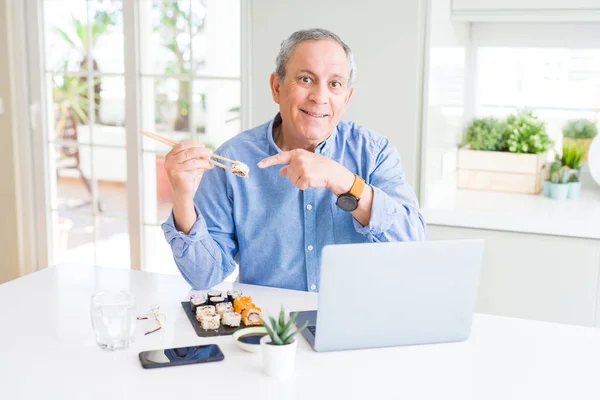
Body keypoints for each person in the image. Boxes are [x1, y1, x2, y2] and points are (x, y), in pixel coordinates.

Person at [161, 28, 426, 292]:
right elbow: (203, 276)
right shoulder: (233, 159)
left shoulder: (375, 153)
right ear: (276, 87)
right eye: (306, 79)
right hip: (266, 327)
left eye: (334, 84)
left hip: (355, 323)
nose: (320, 97)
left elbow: (412, 244)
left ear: (346, 97)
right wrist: (183, 198)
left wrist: (344, 181)